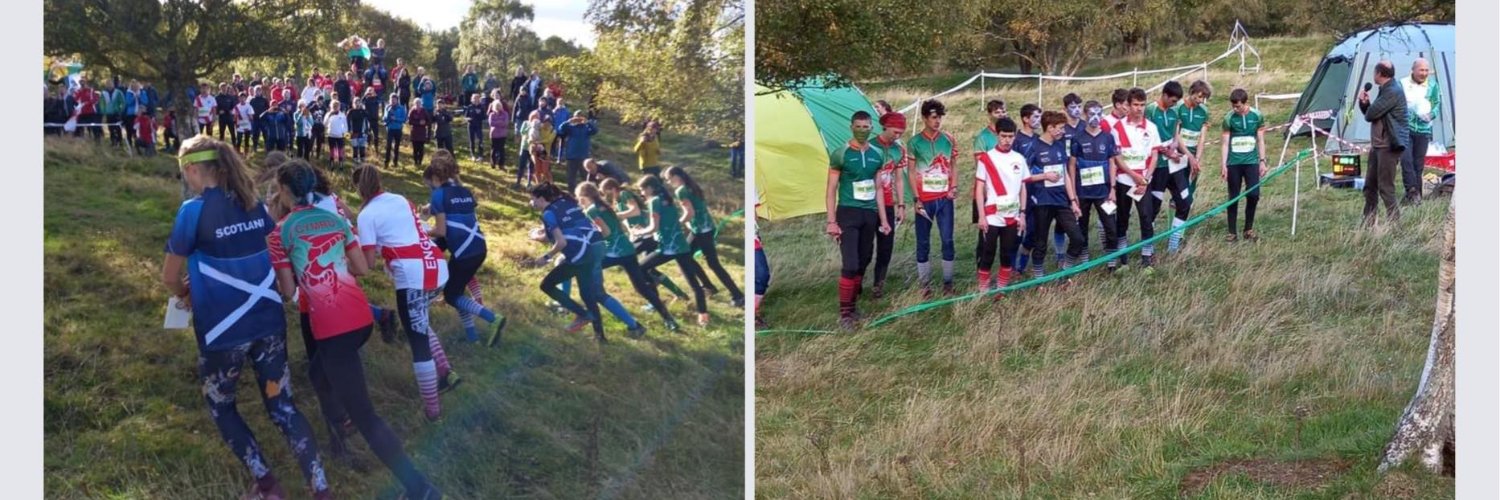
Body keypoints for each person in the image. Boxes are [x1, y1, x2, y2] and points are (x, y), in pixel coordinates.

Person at [161, 136, 331, 500]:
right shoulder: (254, 205)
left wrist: (184, 294)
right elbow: (268, 253)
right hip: (268, 324)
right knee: (282, 405)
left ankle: (266, 484)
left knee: (222, 406)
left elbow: (169, 276)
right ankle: (320, 486)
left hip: (223, 333)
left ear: (192, 170)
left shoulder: (192, 212)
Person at [352, 165, 458, 420]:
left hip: (412, 277)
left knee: (417, 339)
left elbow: (366, 266)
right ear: (379, 181)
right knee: (419, 322)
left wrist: (346, 262)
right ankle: (446, 372)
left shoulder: (366, 215)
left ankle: (433, 411)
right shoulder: (400, 199)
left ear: (357, 188)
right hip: (436, 266)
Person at [422, 158, 509, 346]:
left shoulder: (438, 196)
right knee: (457, 293)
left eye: (429, 185)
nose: (430, 189)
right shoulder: (464, 191)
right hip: (479, 247)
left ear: (435, 178)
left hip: (464, 252)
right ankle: (472, 337)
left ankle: (493, 319)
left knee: (451, 296)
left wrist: (421, 231)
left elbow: (441, 231)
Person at [577, 181, 679, 333]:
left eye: (578, 198)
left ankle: (586, 314)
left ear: (583, 197)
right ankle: (669, 320)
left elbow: (606, 233)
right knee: (642, 289)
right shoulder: (605, 205)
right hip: (628, 251)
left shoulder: (591, 210)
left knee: (585, 272)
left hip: (613, 252)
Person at [527, 183, 619, 341]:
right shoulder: (565, 203)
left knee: (546, 285)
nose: (531, 203)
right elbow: (566, 229)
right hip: (588, 251)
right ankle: (600, 337)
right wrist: (541, 234)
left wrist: (546, 257)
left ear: (541, 199)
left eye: (533, 199)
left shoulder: (548, 213)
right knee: (588, 295)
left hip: (577, 257)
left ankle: (582, 314)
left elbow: (561, 242)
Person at [826, 111, 890, 330]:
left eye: (866, 127)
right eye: (859, 127)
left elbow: (879, 189)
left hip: (869, 214)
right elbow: (831, 188)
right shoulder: (840, 154)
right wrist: (831, 221)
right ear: (851, 127)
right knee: (850, 264)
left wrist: (884, 219)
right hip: (848, 212)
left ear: (872, 128)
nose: (862, 130)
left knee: (863, 262)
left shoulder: (877, 154)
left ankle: (852, 307)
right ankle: (844, 314)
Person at [631, 175, 712, 327]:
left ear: (650, 188)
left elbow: (653, 227)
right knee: (694, 284)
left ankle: (655, 302)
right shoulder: (667, 199)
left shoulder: (654, 201)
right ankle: (703, 316)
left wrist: (638, 233)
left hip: (667, 248)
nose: (642, 193)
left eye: (642, 189)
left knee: (641, 268)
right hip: (681, 246)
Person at [602, 178, 692, 307]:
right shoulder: (618, 200)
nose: (606, 196)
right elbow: (629, 218)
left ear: (613, 189)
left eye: (606, 192)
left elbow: (635, 211)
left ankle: (655, 301)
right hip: (642, 236)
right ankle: (678, 294)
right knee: (648, 269)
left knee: (634, 264)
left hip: (646, 236)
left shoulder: (623, 194)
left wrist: (617, 216)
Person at [666, 166, 744, 307]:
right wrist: (689, 225)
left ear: (676, 176)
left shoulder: (681, 191)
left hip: (702, 231)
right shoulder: (692, 186)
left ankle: (737, 295)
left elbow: (690, 213)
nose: (668, 182)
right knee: (688, 256)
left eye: (669, 179)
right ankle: (709, 287)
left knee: (711, 263)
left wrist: (674, 225)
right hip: (705, 228)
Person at [906, 99, 959, 298]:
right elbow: (911, 172)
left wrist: (954, 186)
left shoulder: (949, 139)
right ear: (924, 118)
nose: (938, 121)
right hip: (924, 200)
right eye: (934, 117)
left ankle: (948, 283)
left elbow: (954, 164)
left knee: (947, 239)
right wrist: (915, 198)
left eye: (940, 118)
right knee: (923, 242)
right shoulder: (914, 142)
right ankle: (925, 285)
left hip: (944, 199)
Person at [1023, 111, 1086, 278]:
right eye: (1060, 128)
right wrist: (1044, 176)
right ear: (1049, 128)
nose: (1063, 131)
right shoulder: (1033, 147)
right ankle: (1039, 278)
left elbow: (1065, 173)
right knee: (1040, 242)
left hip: (1061, 200)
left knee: (1077, 238)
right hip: (1041, 200)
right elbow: (1024, 176)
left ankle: (1065, 271)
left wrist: (1073, 201)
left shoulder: (1059, 146)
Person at [973, 117, 1027, 296]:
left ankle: (1001, 289)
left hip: (1012, 216)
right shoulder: (987, 159)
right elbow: (979, 188)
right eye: (1004, 136)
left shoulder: (1019, 158)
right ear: (997, 135)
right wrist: (981, 215)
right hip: (992, 215)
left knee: (1007, 253)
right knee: (988, 253)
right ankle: (983, 289)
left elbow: (1022, 187)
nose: (1007, 140)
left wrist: (1023, 214)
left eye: (1011, 136)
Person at [1111, 88, 1161, 270]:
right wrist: (1134, 177)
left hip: (1144, 182)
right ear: (1128, 105)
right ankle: (1123, 260)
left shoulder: (1152, 127)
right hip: (1125, 180)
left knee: (1146, 218)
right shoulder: (1118, 127)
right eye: (1135, 105)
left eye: (1142, 105)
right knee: (1122, 220)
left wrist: (1145, 180)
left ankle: (1147, 258)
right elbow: (1117, 157)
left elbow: (1155, 156)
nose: (1139, 108)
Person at [1069, 101, 1121, 269]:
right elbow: (1071, 165)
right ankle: (1084, 261)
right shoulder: (1077, 138)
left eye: (1099, 113)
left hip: (1104, 193)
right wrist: (1073, 193)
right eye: (1092, 114)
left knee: (1111, 226)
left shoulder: (1108, 137)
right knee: (1082, 227)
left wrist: (1112, 189)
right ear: (1085, 115)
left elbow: (1112, 162)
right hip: (1083, 193)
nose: (1096, 117)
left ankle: (1111, 262)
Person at [1164, 80, 1211, 253]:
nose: (1200, 100)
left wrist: (1197, 158)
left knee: (1188, 196)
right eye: (1199, 96)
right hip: (1178, 159)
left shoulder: (1204, 112)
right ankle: (1172, 233)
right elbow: (1176, 134)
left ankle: (1179, 234)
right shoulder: (1178, 109)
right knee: (1178, 197)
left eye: (1203, 98)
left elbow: (1201, 137)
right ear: (1191, 92)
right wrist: (1188, 156)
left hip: (1193, 159)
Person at [1220, 88, 1268, 241]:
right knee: (1233, 196)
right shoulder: (1228, 118)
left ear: (1245, 103)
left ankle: (1248, 229)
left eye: (1238, 106)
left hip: (1251, 162)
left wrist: (1262, 161)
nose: (1235, 109)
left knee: (1253, 195)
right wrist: (1223, 164)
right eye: (1233, 106)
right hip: (1234, 163)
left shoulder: (1257, 116)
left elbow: (1260, 140)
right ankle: (1232, 232)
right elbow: (1225, 143)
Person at [869, 112, 908, 298]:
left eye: (901, 133)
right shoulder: (869, 146)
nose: (897, 136)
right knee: (865, 249)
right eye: (895, 132)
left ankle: (878, 285)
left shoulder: (898, 150)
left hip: (888, 203)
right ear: (885, 127)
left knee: (886, 247)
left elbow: (899, 179)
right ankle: (856, 282)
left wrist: (901, 204)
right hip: (868, 205)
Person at [1144, 81, 1184, 258]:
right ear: (1165, 95)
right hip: (1157, 165)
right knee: (1154, 207)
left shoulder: (1174, 112)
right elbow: (1147, 138)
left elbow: (1176, 134)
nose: (1174, 104)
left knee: (1185, 202)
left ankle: (1174, 245)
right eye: (1172, 100)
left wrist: (1175, 147)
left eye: (1176, 102)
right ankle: (1148, 247)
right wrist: (1167, 152)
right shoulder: (1151, 111)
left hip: (1174, 165)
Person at [971, 99, 1007, 286]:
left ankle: (1005, 271)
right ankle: (982, 270)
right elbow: (980, 169)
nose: (1001, 115)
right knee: (985, 235)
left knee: (1006, 232)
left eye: (1003, 111)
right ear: (990, 113)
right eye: (997, 112)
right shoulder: (982, 138)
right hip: (986, 193)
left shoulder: (1008, 135)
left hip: (1006, 195)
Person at [1400, 58, 1441, 205]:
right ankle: (1411, 190)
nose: (1424, 73)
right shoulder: (1402, 84)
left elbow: (1437, 103)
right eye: (1421, 70)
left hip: (1423, 130)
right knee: (1406, 161)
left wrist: (1431, 114)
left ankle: (1415, 196)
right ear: (1413, 70)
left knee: (1418, 164)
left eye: (1426, 70)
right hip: (1405, 128)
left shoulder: (1433, 85)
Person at [558, 113, 598, 190]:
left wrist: (588, 122)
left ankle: (586, 192)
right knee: (571, 176)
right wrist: (569, 121)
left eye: (580, 117)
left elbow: (595, 131)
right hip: (571, 156)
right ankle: (571, 192)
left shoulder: (586, 128)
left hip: (583, 157)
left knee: (585, 176)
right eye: (577, 117)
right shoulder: (570, 128)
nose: (579, 119)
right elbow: (560, 129)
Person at [383, 95, 408, 168]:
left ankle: (395, 162)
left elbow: (404, 119)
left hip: (398, 129)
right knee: (388, 146)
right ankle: (386, 162)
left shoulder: (401, 108)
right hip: (390, 129)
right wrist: (386, 117)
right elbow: (384, 118)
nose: (393, 101)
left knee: (396, 147)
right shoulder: (387, 107)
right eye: (391, 99)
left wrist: (395, 118)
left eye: (394, 99)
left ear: (397, 100)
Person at [346, 98, 372, 163]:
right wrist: (348, 130)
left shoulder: (363, 111)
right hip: (353, 132)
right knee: (355, 147)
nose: (357, 104)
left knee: (362, 147)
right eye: (355, 103)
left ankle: (362, 158)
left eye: (358, 102)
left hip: (362, 132)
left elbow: (369, 117)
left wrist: (367, 130)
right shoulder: (350, 111)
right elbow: (347, 122)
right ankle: (355, 159)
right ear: (353, 104)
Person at [408, 99, 432, 169]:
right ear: (414, 104)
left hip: (422, 133)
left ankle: (420, 162)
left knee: (421, 149)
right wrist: (418, 123)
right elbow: (409, 121)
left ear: (421, 104)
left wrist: (425, 123)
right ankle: (415, 162)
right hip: (414, 133)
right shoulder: (412, 111)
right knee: (415, 149)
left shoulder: (424, 111)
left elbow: (429, 121)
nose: (418, 105)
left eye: (419, 103)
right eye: (416, 103)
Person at [489, 97, 511, 172]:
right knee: (494, 149)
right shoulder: (492, 114)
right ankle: (493, 163)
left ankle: (501, 164)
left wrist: (497, 122)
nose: (498, 107)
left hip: (502, 135)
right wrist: (500, 122)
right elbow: (491, 123)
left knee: (501, 150)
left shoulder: (505, 114)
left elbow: (505, 123)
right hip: (494, 135)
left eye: (499, 106)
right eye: (496, 106)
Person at [464, 94, 487, 162]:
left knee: (480, 141)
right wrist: (468, 119)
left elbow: (484, 117)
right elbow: (465, 117)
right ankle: (472, 155)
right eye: (474, 98)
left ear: (479, 100)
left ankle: (480, 155)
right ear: (472, 99)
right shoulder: (469, 107)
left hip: (479, 126)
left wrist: (479, 114)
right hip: (471, 126)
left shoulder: (482, 107)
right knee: (472, 141)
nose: (476, 100)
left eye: (477, 98)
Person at [249, 86, 270, 152]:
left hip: (263, 120)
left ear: (261, 91)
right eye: (256, 91)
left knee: (265, 134)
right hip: (255, 120)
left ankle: (267, 147)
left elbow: (268, 109)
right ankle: (255, 147)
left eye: (259, 90)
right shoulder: (252, 100)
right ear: (254, 92)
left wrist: (266, 117)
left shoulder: (264, 99)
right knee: (255, 134)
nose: (258, 92)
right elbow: (249, 109)